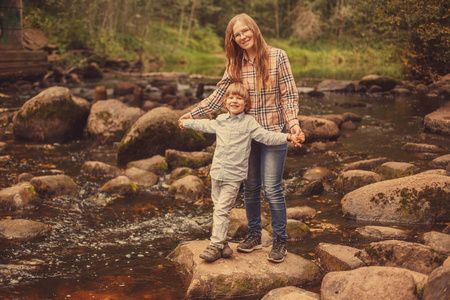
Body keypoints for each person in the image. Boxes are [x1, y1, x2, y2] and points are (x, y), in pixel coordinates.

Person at [179, 13, 304, 263]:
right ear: (233, 40)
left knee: (272, 188)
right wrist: (189, 115)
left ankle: (280, 240)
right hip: (245, 136)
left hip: (273, 131)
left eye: (245, 31)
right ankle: (255, 235)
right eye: (237, 34)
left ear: (254, 30)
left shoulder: (278, 56)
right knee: (250, 187)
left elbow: (288, 96)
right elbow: (218, 98)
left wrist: (293, 126)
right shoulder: (235, 63)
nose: (242, 36)